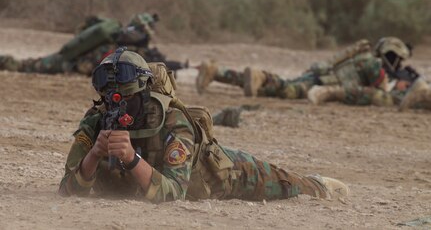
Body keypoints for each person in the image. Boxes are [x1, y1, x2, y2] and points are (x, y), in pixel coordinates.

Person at [58, 48, 349, 203]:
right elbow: (68, 189)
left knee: (283, 182)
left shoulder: (172, 120)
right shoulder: (97, 119)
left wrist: (131, 159)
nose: (116, 106)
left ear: (145, 93)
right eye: (110, 98)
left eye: (126, 97)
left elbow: (173, 193)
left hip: (218, 175)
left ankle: (318, 185)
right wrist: (94, 155)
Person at [196, 37, 419, 107]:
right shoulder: (374, 64)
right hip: (321, 81)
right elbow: (378, 92)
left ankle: (217, 72)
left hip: (319, 75)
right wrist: (394, 87)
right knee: (286, 90)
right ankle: (261, 75)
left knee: (277, 87)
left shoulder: (363, 56)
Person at [0, 13, 188, 75]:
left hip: (74, 63)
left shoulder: (119, 41)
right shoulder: (125, 47)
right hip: (70, 64)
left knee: (29, 64)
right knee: (25, 66)